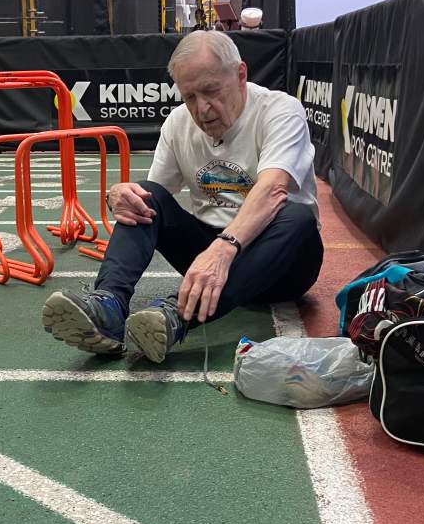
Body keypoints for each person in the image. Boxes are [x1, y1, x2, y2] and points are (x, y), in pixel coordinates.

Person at [41, 29, 323, 362]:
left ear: (241, 74)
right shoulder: (178, 123)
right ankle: (109, 307)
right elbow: (153, 197)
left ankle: (178, 315)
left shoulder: (280, 110)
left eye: (211, 91)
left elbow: (273, 189)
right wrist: (119, 195)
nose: (202, 109)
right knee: (144, 198)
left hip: (283, 263)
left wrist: (222, 249)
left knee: (296, 214)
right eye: (190, 97)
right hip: (210, 251)